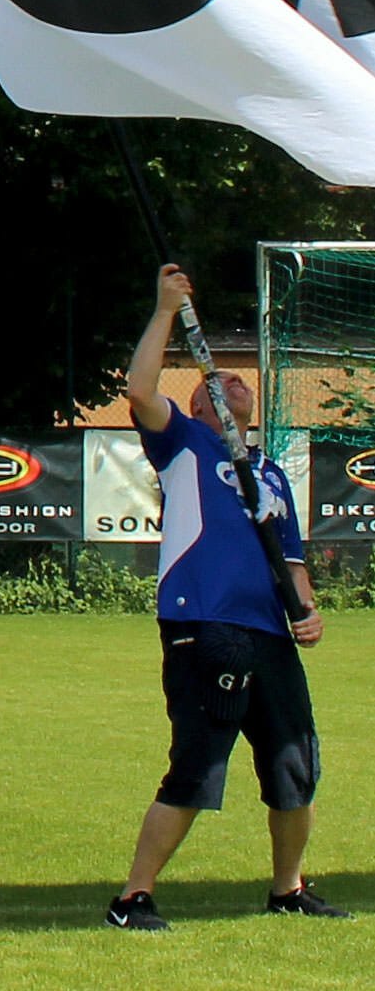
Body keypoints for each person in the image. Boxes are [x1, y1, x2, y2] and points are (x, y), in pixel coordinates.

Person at [105, 266, 342, 930]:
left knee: (295, 765)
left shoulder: (267, 473)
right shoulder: (183, 444)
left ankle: (287, 889)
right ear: (202, 406)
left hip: (267, 635)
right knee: (198, 766)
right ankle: (132, 898)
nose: (235, 382)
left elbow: (290, 560)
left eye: (242, 380)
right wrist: (163, 309)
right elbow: (138, 387)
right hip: (204, 626)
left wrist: (306, 609)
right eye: (221, 380)